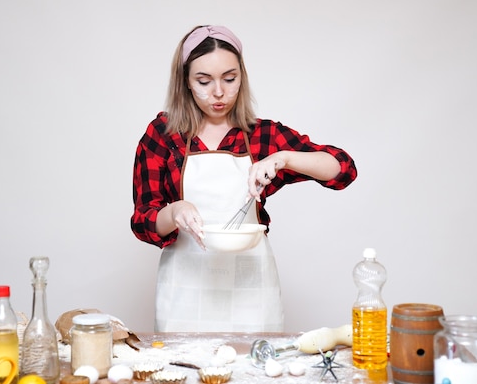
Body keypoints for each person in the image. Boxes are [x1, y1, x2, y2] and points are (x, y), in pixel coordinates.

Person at [131, 25, 357, 333]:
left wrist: (284, 158)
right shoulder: (164, 136)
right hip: (184, 297)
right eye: (204, 81)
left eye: (229, 78)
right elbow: (143, 220)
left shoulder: (260, 136)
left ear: (242, 76)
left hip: (252, 296)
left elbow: (342, 169)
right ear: (184, 81)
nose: (219, 92)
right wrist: (174, 211)